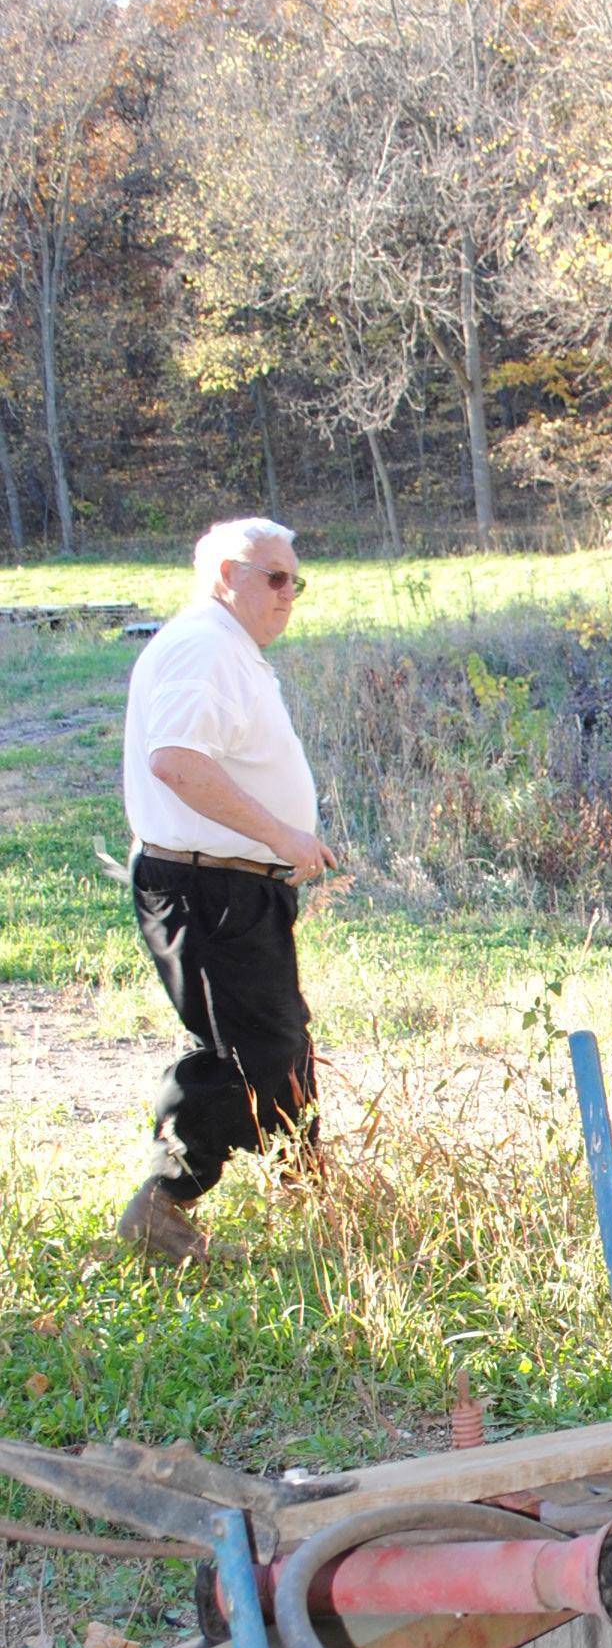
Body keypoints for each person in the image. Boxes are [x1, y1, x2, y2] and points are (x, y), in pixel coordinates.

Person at [117, 517, 337, 1264]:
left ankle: (309, 1197)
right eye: (272, 577)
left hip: (232, 887)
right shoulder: (204, 645)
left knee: (278, 1039)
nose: (288, 594)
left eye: (294, 580)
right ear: (222, 576)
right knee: (239, 1051)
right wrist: (279, 835)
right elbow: (175, 761)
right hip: (205, 886)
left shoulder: (228, 649)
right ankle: (161, 1206)